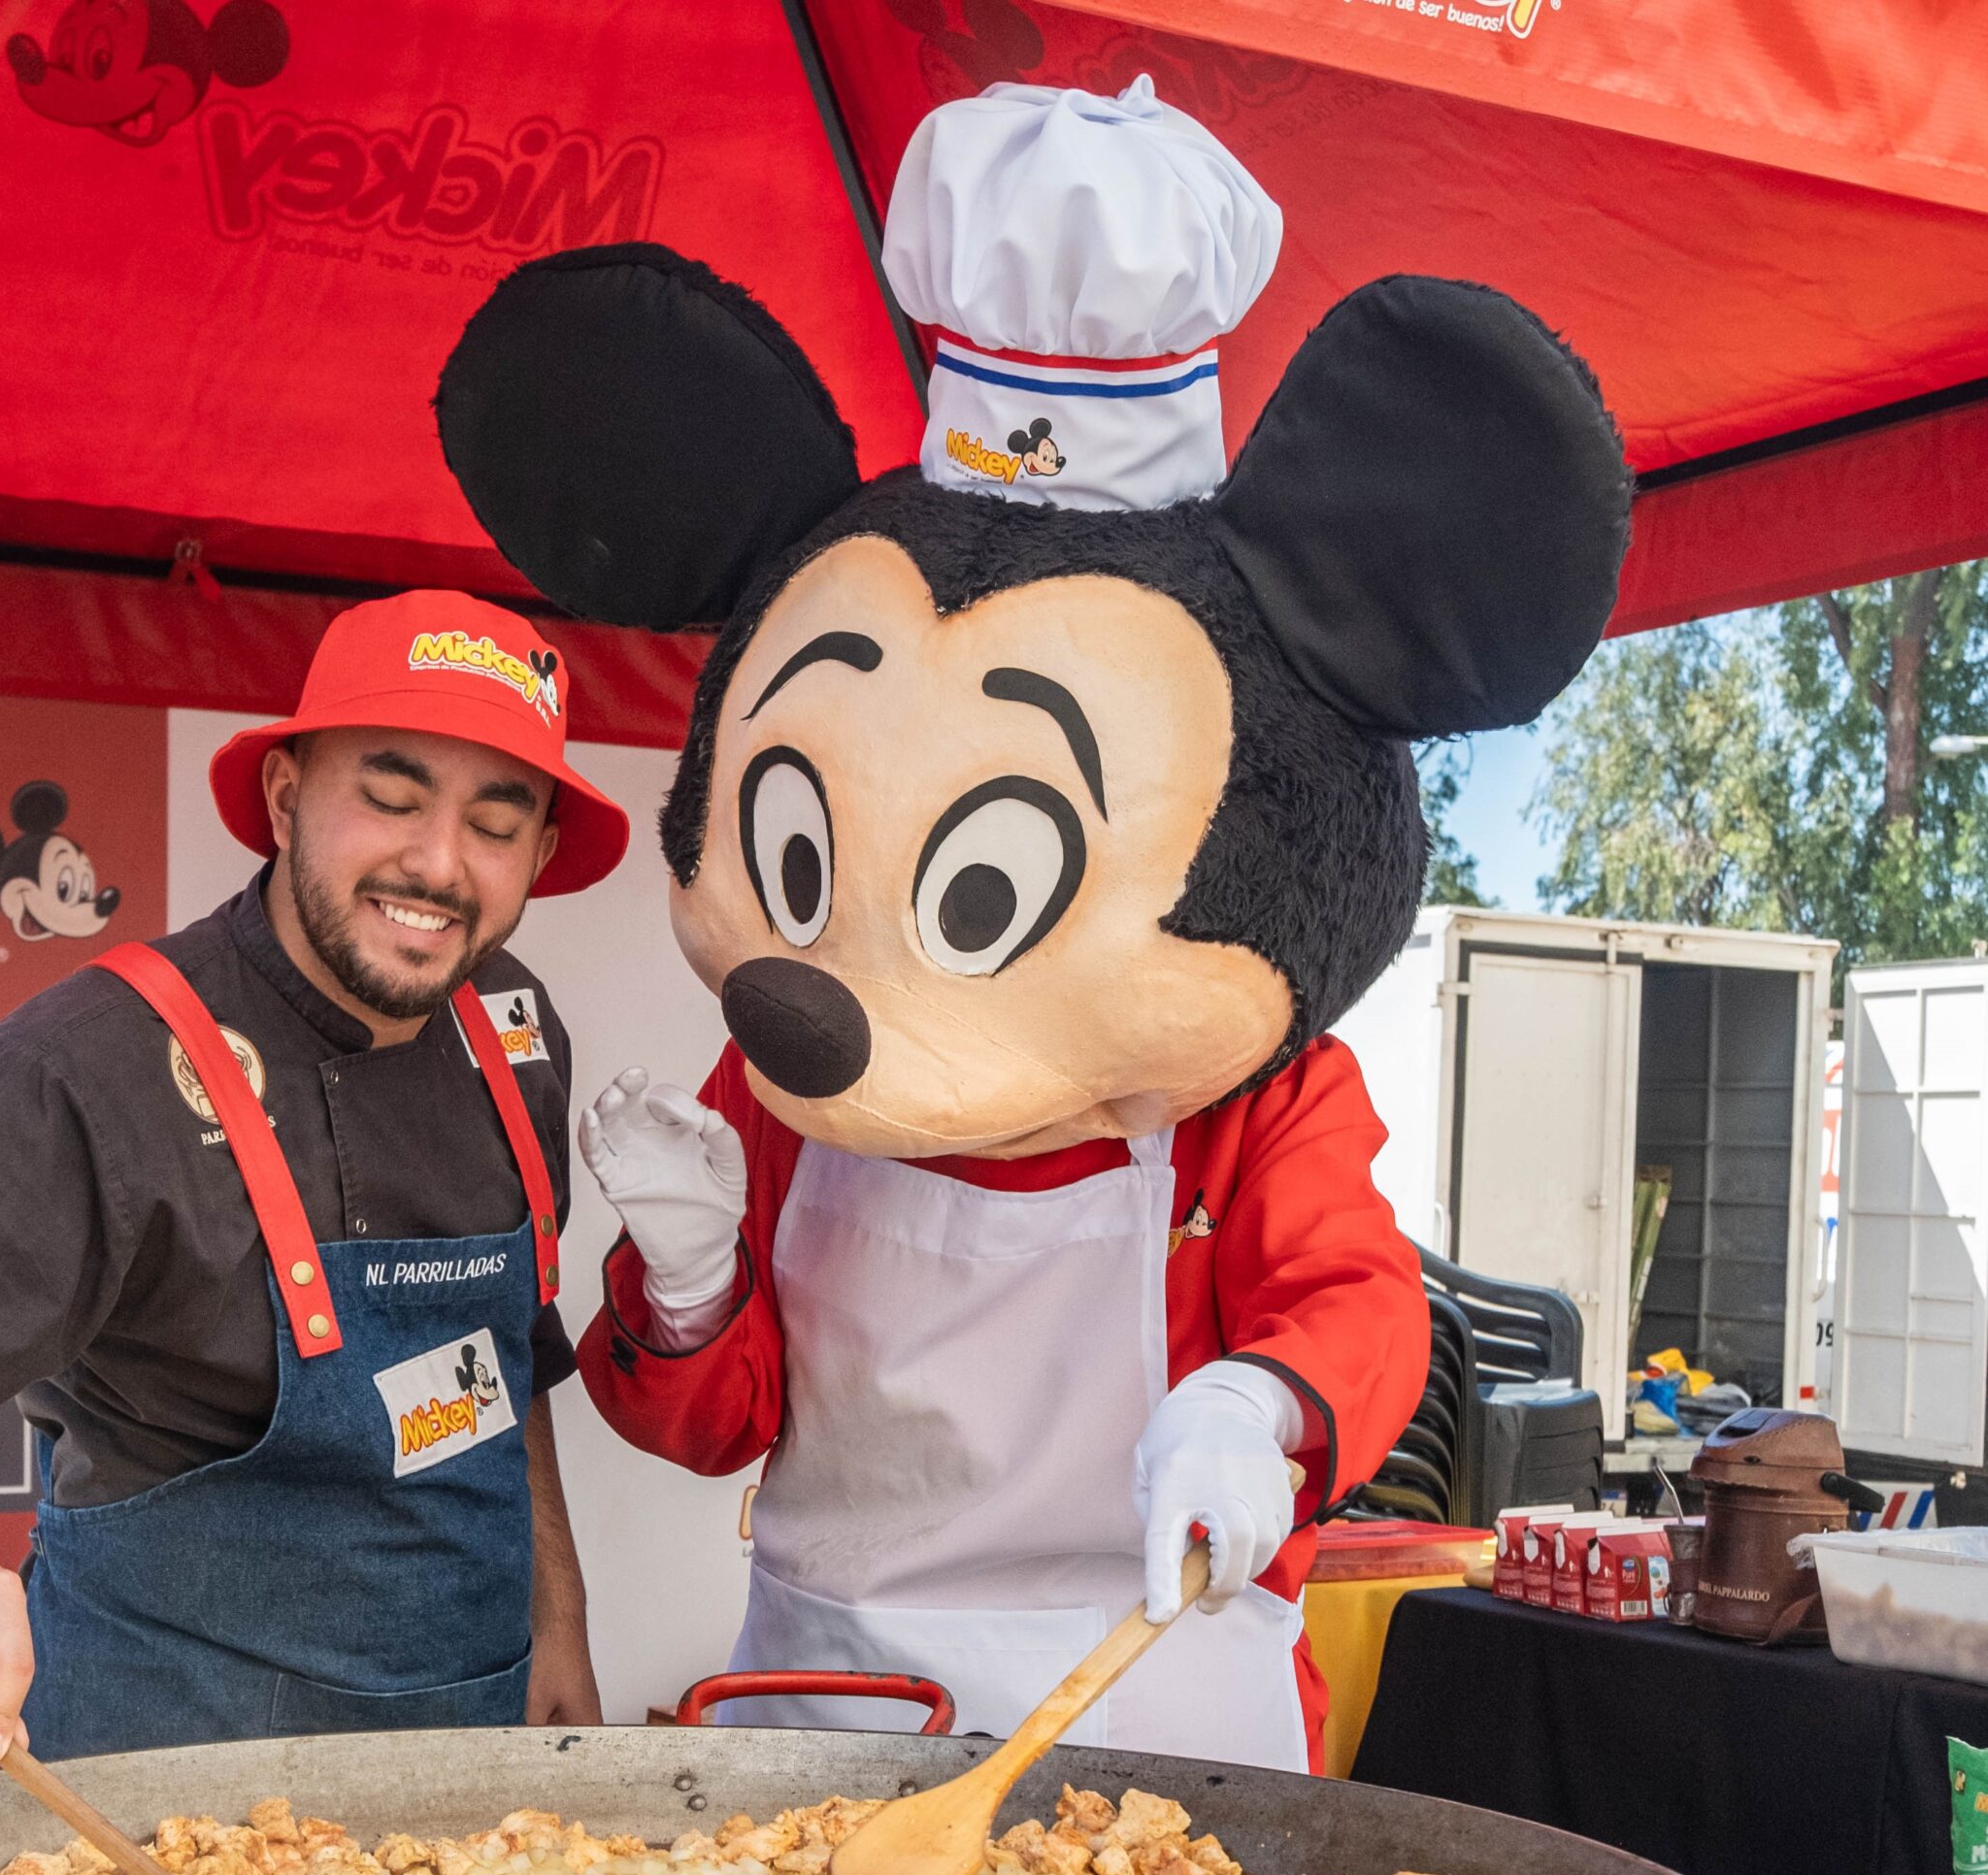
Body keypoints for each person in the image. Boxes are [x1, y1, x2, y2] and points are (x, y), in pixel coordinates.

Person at [430, 81, 1629, 1764]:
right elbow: (711, 1429)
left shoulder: (1257, 1103)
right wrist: (688, 1285)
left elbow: (1358, 1304)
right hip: (827, 1686)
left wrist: (1254, 1406)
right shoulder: (779, 1087)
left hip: (1157, 1692)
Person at [0, 591, 627, 1763]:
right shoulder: (94, 1066)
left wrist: (560, 1618)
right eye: (389, 798)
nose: (438, 864)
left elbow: (508, 1347)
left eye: (497, 823)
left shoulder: (512, 1028)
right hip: (157, 1803)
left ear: (540, 850)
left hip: (470, 1776)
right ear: (286, 799)